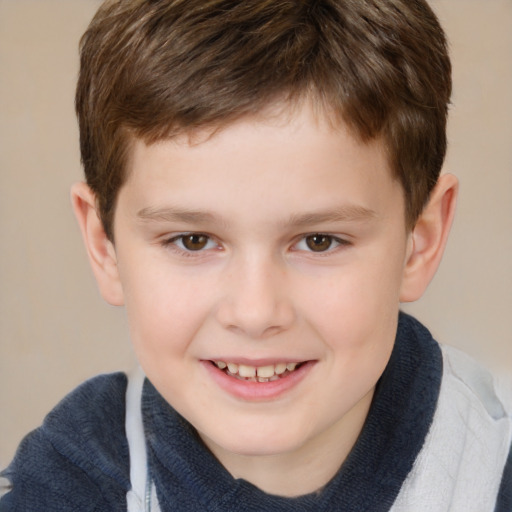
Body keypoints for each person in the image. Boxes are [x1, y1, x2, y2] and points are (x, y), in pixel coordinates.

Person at [1, 0, 510, 510]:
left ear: (418, 241)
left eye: (319, 241)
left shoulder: (492, 472)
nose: (255, 312)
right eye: (193, 241)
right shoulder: (67, 485)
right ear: (103, 245)